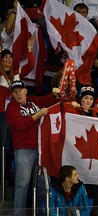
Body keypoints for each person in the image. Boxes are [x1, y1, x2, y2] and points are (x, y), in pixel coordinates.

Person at [6, 80, 60, 215]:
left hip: (41, 149)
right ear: (12, 94)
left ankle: (42, 212)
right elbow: (20, 125)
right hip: (24, 149)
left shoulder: (33, 100)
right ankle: (18, 214)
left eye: (20, 91)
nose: (18, 94)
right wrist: (37, 115)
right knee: (22, 184)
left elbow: (47, 101)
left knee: (43, 184)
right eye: (15, 92)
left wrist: (53, 94)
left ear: (26, 91)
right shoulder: (11, 107)